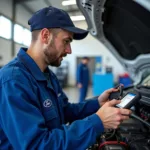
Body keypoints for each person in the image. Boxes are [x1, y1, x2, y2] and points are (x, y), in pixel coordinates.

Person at [0, 6, 131, 150]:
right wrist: (97, 122)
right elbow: (37, 145)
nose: (69, 50)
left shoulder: (47, 74)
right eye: (66, 41)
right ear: (45, 36)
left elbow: (66, 110)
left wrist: (97, 104)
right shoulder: (14, 81)